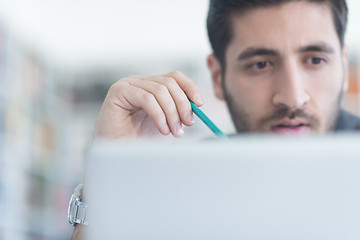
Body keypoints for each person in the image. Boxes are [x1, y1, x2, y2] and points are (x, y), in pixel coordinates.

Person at [71, 0, 360, 239]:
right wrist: (109, 186)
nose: (293, 97)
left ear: (344, 68)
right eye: (260, 64)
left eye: (315, 60)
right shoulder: (193, 182)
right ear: (217, 77)